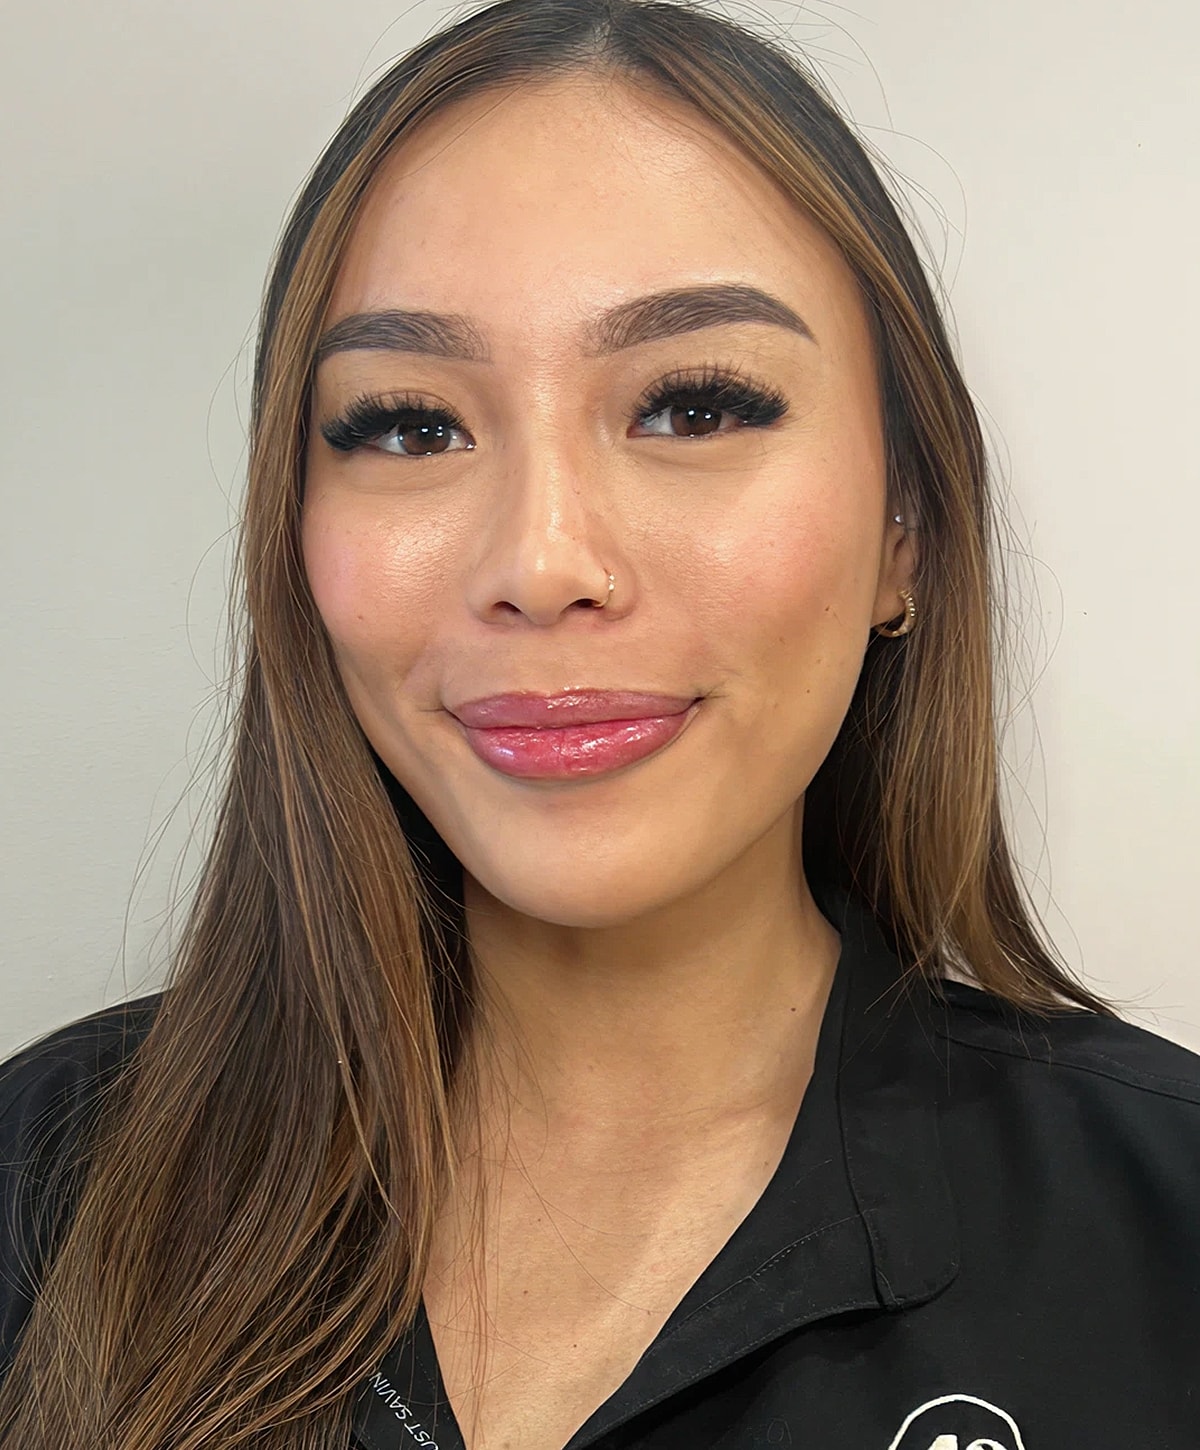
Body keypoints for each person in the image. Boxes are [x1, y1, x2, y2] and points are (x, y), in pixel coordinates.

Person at [2, 0, 1198, 1446]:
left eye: (694, 406)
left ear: (906, 534)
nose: (543, 561)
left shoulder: (1164, 1228)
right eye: (409, 424)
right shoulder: (42, 1181)